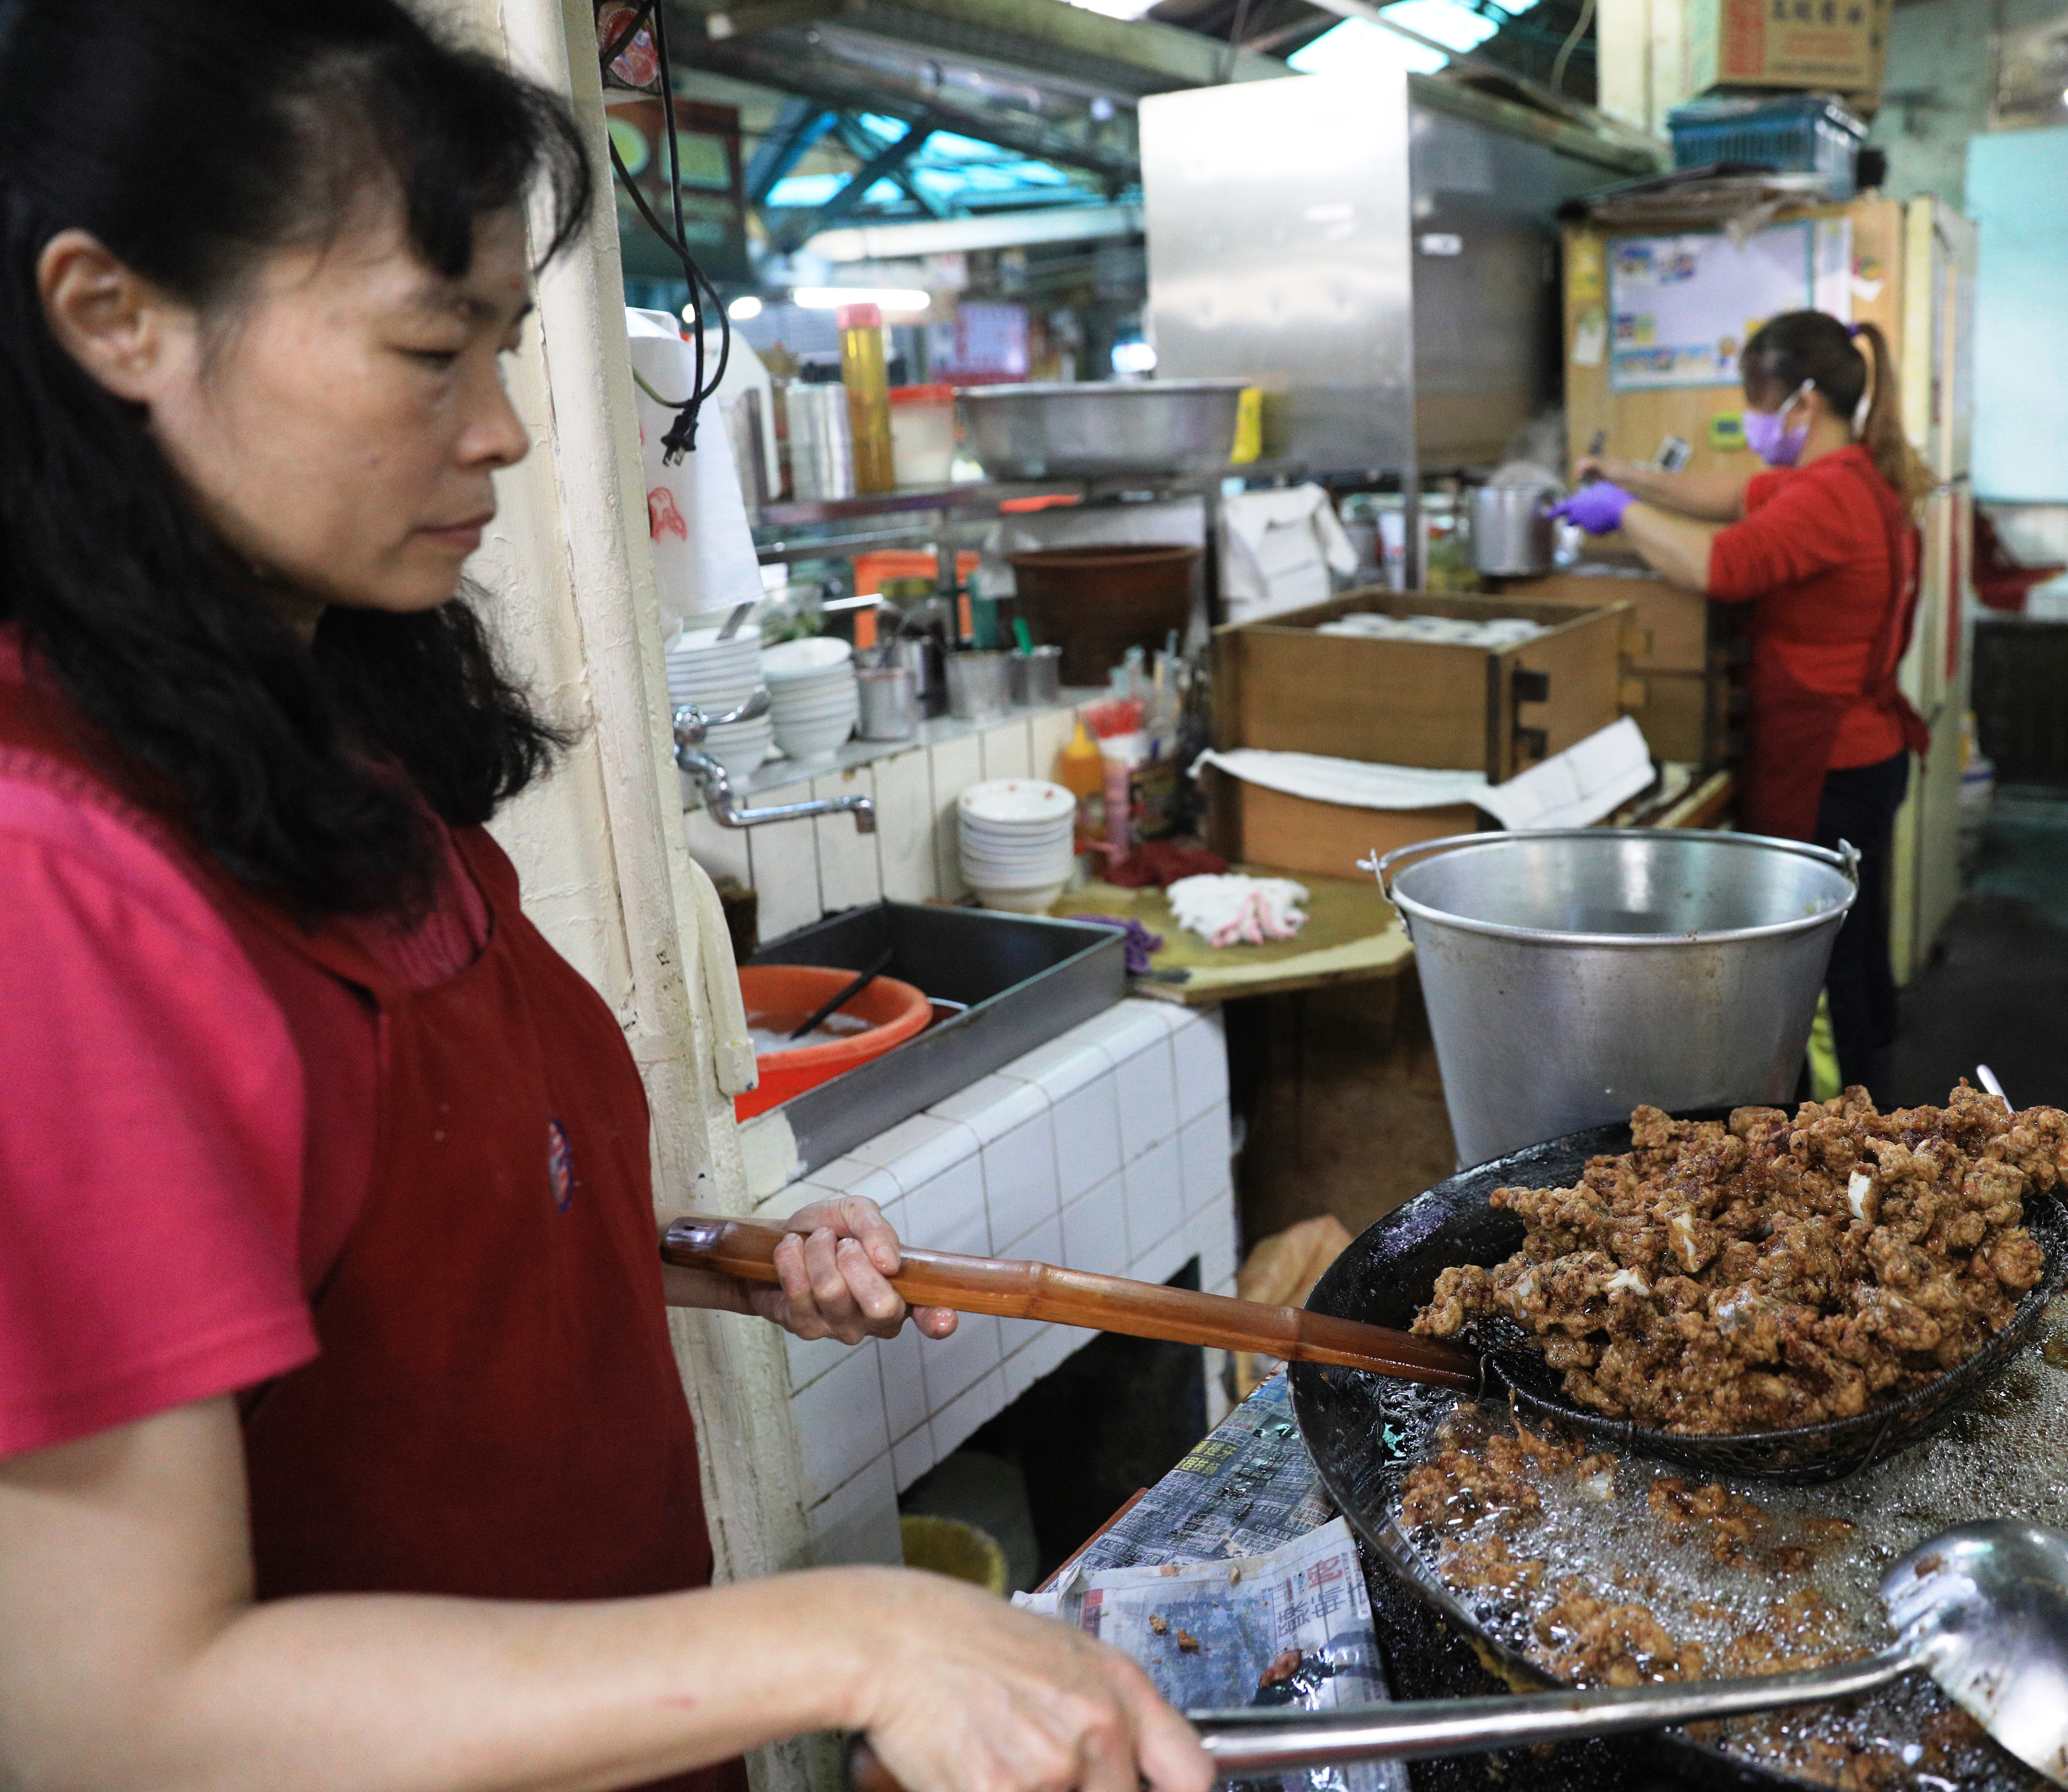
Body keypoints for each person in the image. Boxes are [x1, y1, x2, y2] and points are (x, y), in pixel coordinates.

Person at [0, 8, 1207, 1792]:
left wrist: (709, 1261)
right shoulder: (56, 874)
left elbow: (376, 1251)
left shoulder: (321, 732)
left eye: (501, 346)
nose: (500, 431)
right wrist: (860, 1628)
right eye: (432, 349)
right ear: (116, 316)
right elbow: (108, 1712)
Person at [1555, 312, 1932, 1099]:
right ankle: (1875, 1118)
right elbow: (1726, 493)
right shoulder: (1850, 474)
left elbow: (1719, 566)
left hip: (1827, 761)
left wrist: (1618, 514)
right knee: (1852, 949)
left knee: (1816, 972)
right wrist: (1622, 473)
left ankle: (1841, 1143)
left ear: (1804, 404)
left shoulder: (1827, 496)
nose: (1754, 423)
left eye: (1757, 404)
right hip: (1861, 754)